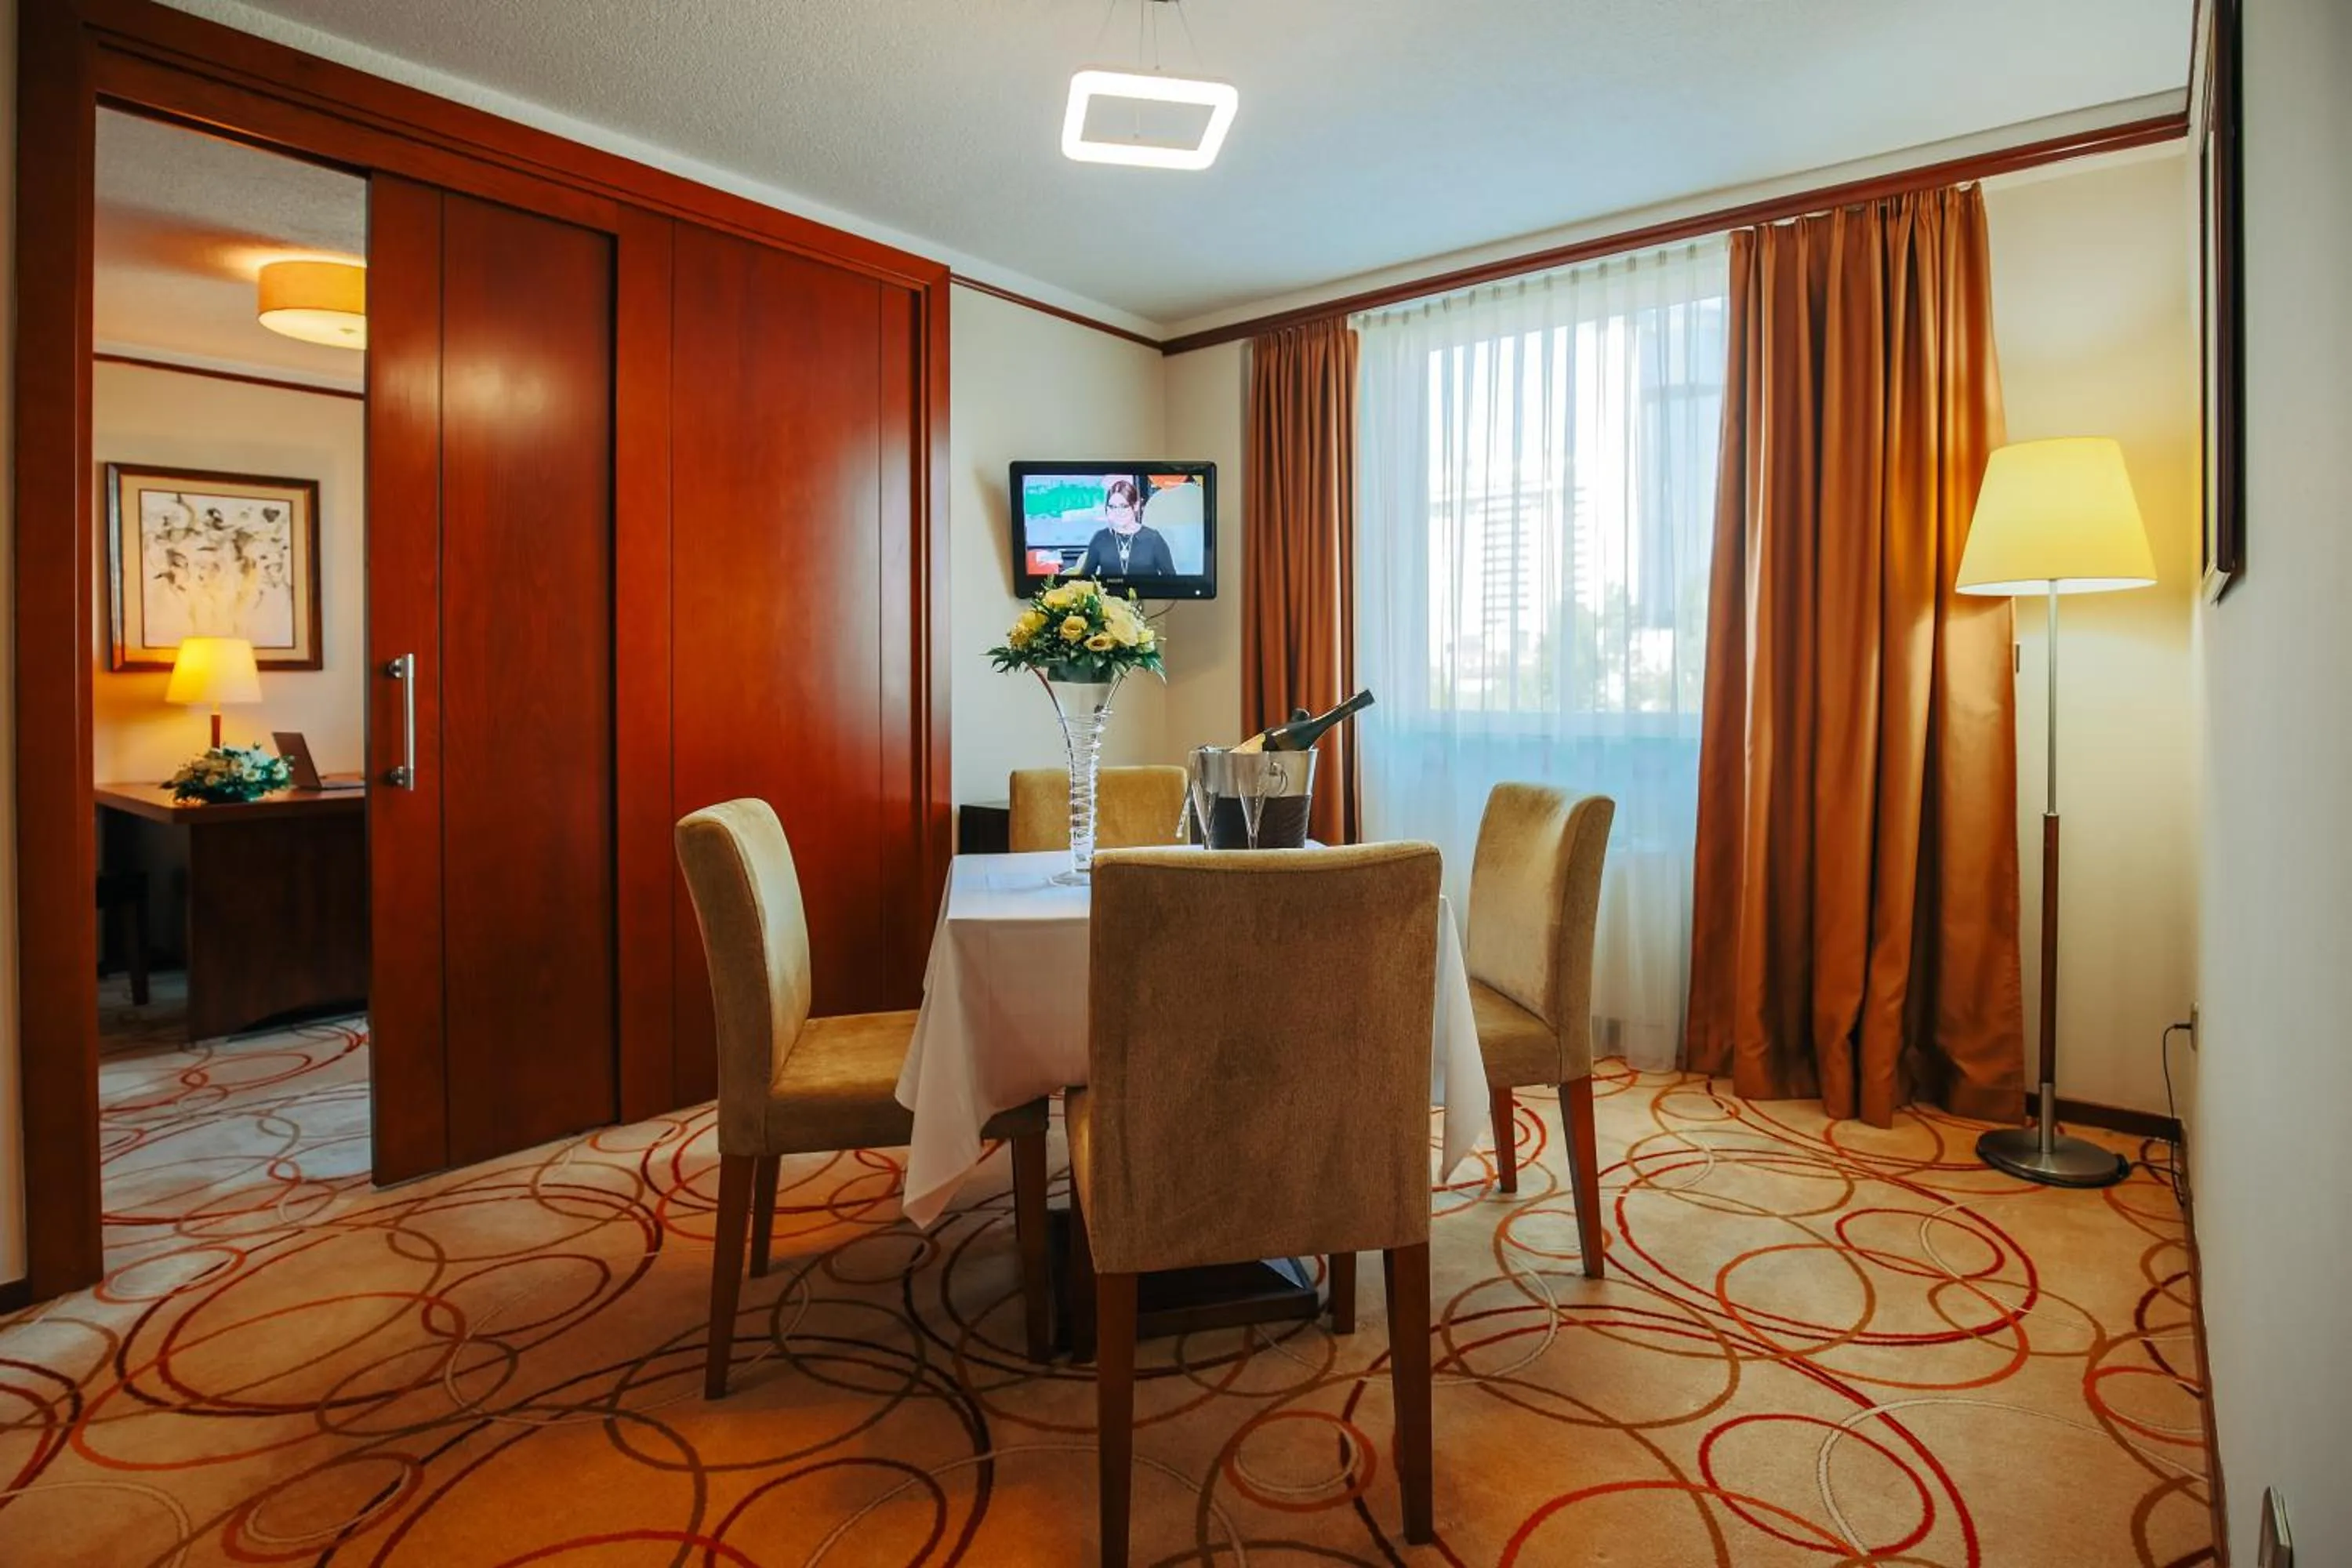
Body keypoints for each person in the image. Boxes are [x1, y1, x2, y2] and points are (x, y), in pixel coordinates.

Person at [1071, 477, 1174, 579]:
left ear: (1136, 506)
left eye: (1124, 506)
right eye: (1112, 507)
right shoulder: (1100, 538)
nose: (1117, 512)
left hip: (1146, 595)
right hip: (1109, 595)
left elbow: (1171, 579)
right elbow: (1084, 580)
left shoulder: (1153, 538)